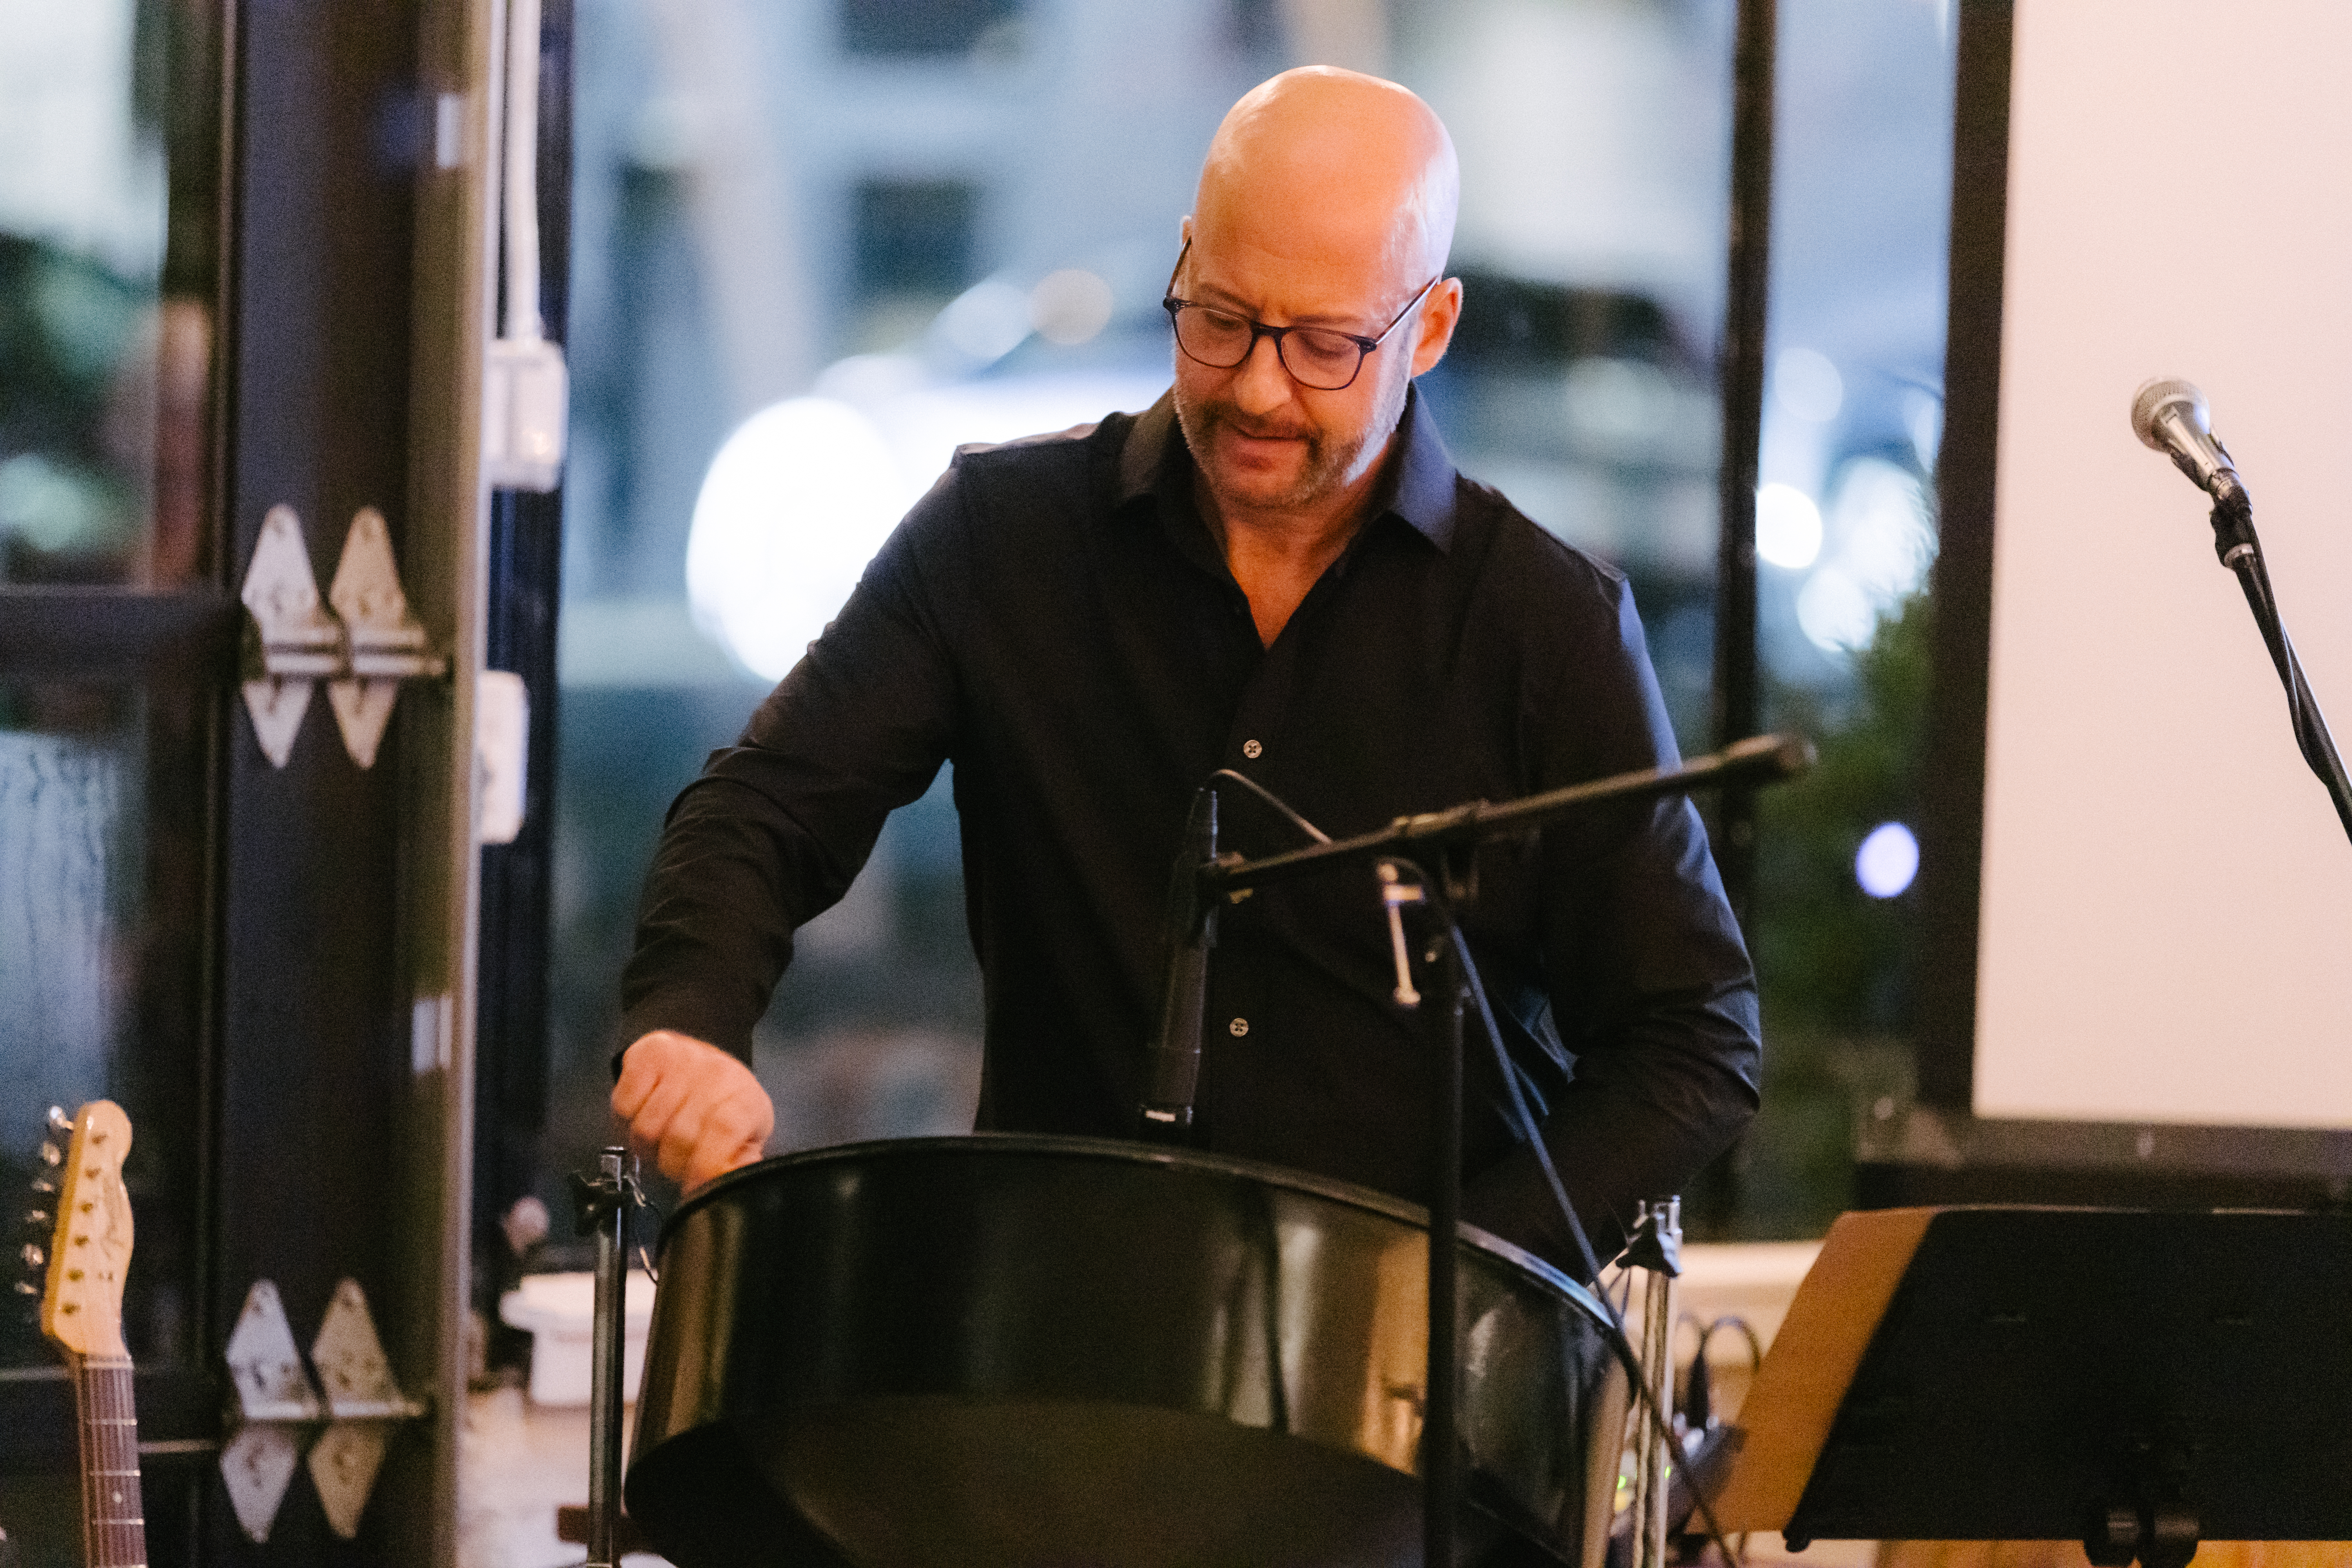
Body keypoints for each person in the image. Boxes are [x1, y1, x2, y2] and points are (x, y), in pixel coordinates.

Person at [613, 65, 1759, 1275]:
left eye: (1325, 345)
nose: (1260, 388)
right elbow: (764, 809)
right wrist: (692, 1022)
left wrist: (1464, 1278)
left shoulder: (1543, 624)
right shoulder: (1001, 539)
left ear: (1427, 329)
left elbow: (1692, 1041)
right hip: (1051, 1335)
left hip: (1407, 1402)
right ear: (1184, 259)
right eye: (1221, 320)